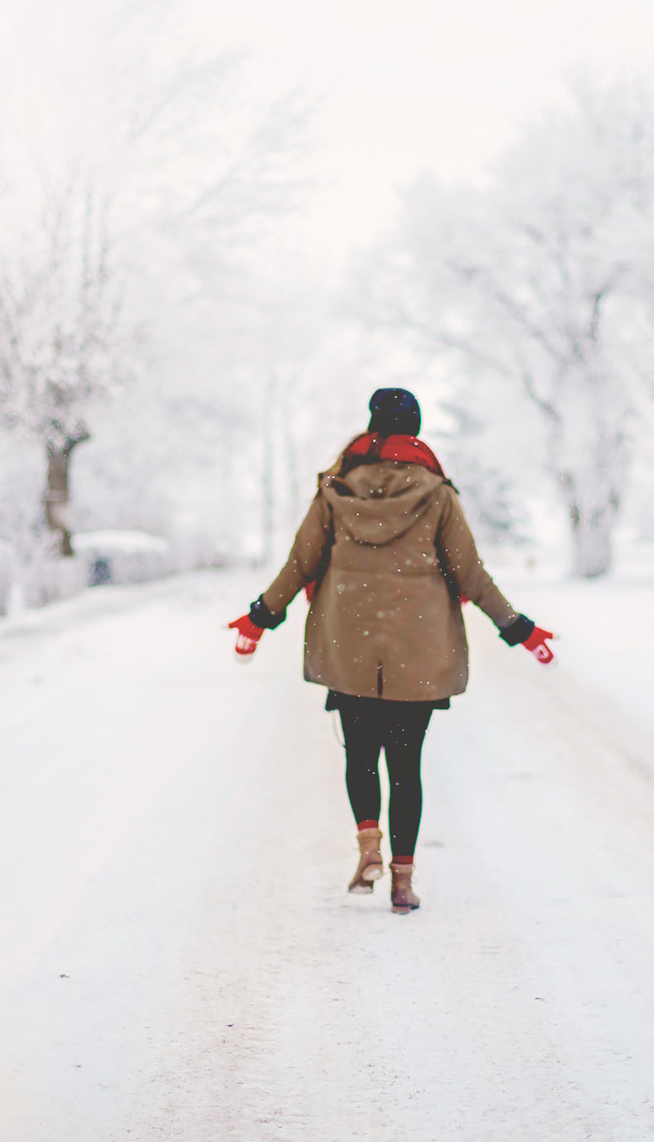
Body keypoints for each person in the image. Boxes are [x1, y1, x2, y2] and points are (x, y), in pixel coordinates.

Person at [228, 388, 554, 914]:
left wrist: (261, 615)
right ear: (416, 432)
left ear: (374, 429)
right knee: (406, 766)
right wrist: (519, 628)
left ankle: (369, 846)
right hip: (418, 650)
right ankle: (402, 883)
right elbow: (470, 573)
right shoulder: (438, 495)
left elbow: (300, 563)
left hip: (348, 643)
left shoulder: (336, 490)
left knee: (359, 754)